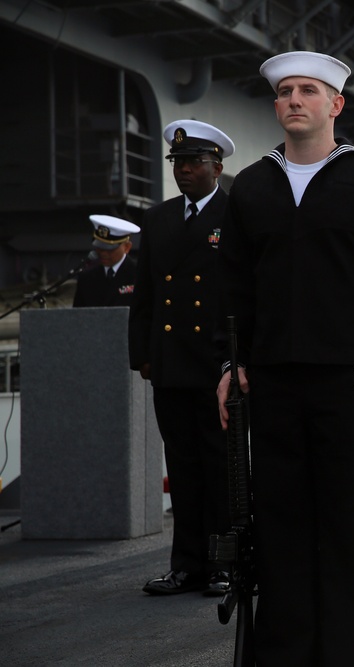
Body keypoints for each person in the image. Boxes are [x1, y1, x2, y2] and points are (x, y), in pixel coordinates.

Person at [215, 51, 354, 666]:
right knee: (279, 524)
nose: (295, 100)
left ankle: (351, 654)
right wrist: (230, 365)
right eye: (285, 92)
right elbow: (234, 290)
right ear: (276, 106)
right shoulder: (250, 186)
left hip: (350, 380)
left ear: (336, 104)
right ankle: (287, 652)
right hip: (273, 381)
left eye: (309, 90)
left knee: (350, 525)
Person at [128, 120, 235, 596]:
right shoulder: (159, 219)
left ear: (217, 167)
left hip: (215, 367)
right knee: (184, 468)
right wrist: (143, 358)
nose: (184, 171)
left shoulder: (236, 217)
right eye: (178, 163)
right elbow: (146, 296)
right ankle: (185, 563)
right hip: (171, 366)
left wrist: (238, 360)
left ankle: (222, 564)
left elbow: (240, 298)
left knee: (219, 467)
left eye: (194, 163)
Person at [72, 215, 139, 307]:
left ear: (126, 247)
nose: (103, 253)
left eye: (110, 249)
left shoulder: (140, 273)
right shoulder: (87, 277)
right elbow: (78, 315)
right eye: (100, 248)